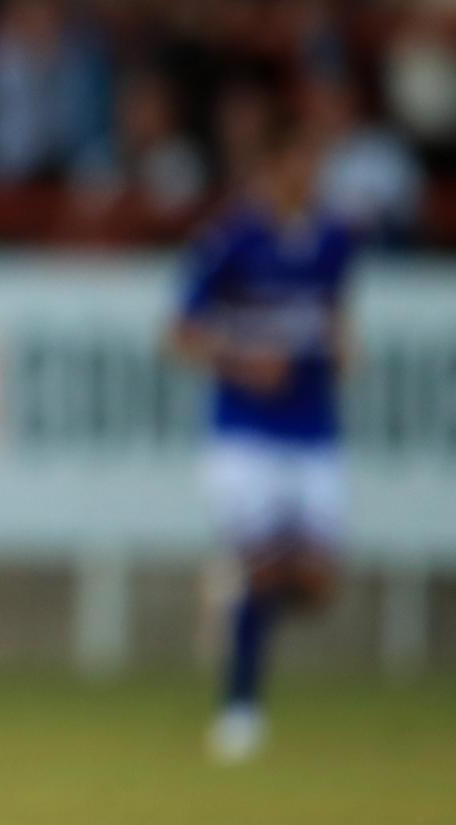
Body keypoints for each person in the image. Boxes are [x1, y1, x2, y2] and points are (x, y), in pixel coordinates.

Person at [167, 120, 354, 765]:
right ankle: (240, 710)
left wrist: (342, 346)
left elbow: (332, 311)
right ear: (271, 170)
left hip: (314, 426)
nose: (309, 178)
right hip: (244, 430)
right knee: (265, 564)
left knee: (318, 582)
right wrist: (245, 363)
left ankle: (234, 598)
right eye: (298, 165)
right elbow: (178, 335)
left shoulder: (333, 239)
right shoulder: (231, 241)